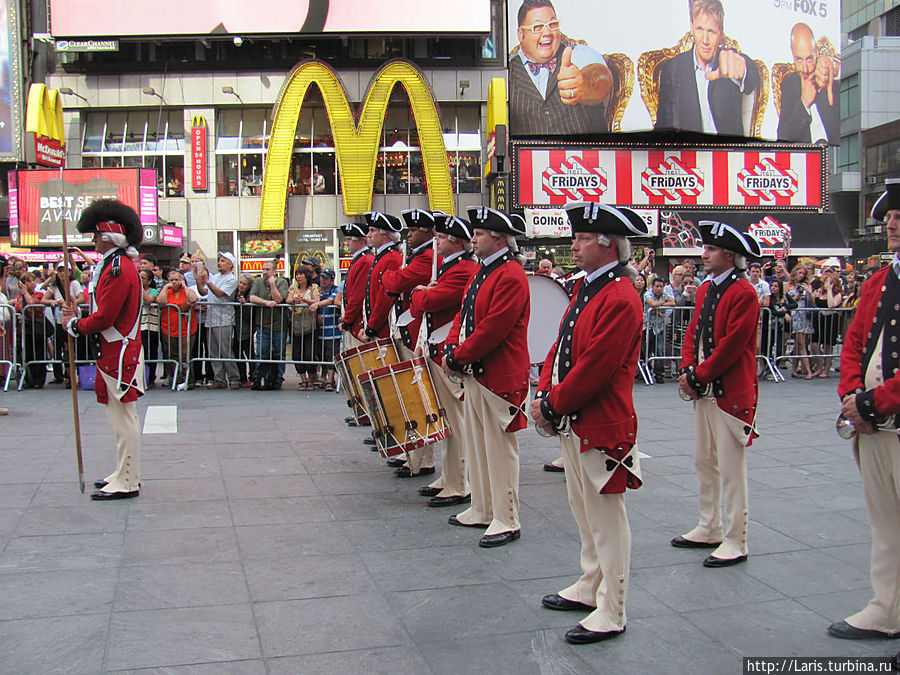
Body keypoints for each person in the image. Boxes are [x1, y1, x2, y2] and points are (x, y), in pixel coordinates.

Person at [532, 202, 648, 645]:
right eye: (576, 237)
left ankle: (612, 608)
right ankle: (590, 583)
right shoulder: (588, 287)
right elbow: (560, 345)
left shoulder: (620, 296)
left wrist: (552, 403)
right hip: (575, 418)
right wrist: (546, 393)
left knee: (606, 519)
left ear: (608, 244)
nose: (574, 245)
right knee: (584, 511)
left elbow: (596, 368)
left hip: (600, 422)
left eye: (582, 238)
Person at [831, 180, 900, 657]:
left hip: (884, 414)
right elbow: (854, 344)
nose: (891, 223)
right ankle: (887, 608)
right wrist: (853, 397)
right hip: (873, 425)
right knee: (885, 522)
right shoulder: (878, 281)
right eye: (890, 216)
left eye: (899, 217)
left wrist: (876, 402)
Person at [674, 220, 761, 567]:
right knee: (704, 461)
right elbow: (693, 332)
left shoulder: (744, 293)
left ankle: (736, 538)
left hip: (728, 393)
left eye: (710, 249)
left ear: (729, 254)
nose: (704, 254)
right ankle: (709, 525)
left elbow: (731, 347)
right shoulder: (708, 289)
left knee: (730, 469)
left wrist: (697, 374)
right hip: (704, 390)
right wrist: (687, 368)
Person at [443, 207, 530, 548]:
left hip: (498, 375)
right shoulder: (485, 271)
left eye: (479, 234)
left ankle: (506, 517)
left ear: (498, 238)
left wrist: (457, 355)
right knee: (479, 446)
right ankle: (482, 507)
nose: (473, 239)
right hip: (477, 372)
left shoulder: (510, 274)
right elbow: (463, 317)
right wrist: (453, 348)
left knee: (499, 449)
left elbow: (493, 328)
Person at [62, 200, 145, 501]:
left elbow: (105, 317)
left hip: (118, 350)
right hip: (115, 348)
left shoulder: (117, 269)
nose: (93, 239)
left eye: (96, 234)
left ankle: (128, 479)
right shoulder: (115, 265)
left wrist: (75, 325)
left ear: (109, 235)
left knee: (123, 420)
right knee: (120, 418)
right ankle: (124, 472)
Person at [408, 213, 479, 506]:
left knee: (455, 422)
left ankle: (458, 482)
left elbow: (431, 301)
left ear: (455, 241)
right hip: (436, 349)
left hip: (445, 352)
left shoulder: (463, 269)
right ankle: (449, 476)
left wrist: (419, 293)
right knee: (446, 419)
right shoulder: (451, 267)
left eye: (440, 237)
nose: (435, 241)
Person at [382, 208, 441, 477]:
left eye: (414, 230)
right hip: (409, 331)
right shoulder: (418, 255)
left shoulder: (427, 257)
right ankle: (414, 455)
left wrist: (387, 277)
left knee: (418, 398)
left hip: (417, 333)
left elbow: (397, 281)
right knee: (412, 396)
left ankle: (422, 459)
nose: (408, 234)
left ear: (428, 233)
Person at [655, 0, 761, 136]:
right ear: (691, 26)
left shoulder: (728, 60)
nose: (705, 40)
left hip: (726, 148)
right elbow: (663, 126)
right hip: (689, 147)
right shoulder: (672, 69)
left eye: (711, 31)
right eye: (699, 29)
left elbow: (752, 76)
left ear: (721, 32)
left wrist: (744, 69)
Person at [508, 0, 612, 135]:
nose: (547, 32)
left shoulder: (579, 54)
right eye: (537, 27)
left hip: (584, 148)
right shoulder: (506, 72)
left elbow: (604, 81)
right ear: (521, 34)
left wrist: (584, 83)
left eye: (552, 24)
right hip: (529, 149)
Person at [777, 23, 839, 145]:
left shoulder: (829, 76)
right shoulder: (789, 84)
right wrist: (804, 103)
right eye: (799, 59)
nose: (805, 69)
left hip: (835, 152)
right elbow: (783, 137)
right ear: (792, 52)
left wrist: (834, 68)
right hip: (806, 153)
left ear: (816, 51)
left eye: (809, 59)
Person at [196, 253, 240, 389]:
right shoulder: (215, 277)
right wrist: (199, 280)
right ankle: (219, 379)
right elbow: (204, 292)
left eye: (223, 261)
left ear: (230, 264)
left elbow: (220, 294)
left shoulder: (231, 279)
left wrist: (207, 282)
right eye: (219, 260)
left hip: (224, 319)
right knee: (213, 351)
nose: (219, 263)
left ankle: (234, 378)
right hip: (211, 318)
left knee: (225, 350)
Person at [361, 211, 403, 342]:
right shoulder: (383, 257)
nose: (368, 235)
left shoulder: (392, 258)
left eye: (373, 230)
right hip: (378, 328)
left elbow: (385, 298)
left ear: (385, 233)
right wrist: (366, 324)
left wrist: (371, 328)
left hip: (385, 331)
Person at [42, 261, 86, 388]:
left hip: (74, 318)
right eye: (60, 270)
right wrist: (54, 302)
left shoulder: (74, 283)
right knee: (65, 349)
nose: (62, 273)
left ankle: (78, 376)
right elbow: (44, 299)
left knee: (76, 348)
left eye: (65, 270)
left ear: (70, 272)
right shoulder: (54, 285)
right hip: (60, 320)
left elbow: (82, 298)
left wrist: (73, 303)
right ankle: (68, 376)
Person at [249, 259, 290, 390]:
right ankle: (258, 377)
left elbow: (279, 299)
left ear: (274, 271)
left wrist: (272, 284)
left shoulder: (282, 282)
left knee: (279, 353)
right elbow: (252, 297)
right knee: (261, 352)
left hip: (279, 324)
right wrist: (266, 303)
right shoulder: (258, 282)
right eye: (263, 269)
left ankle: (278, 378)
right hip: (263, 324)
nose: (265, 272)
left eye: (268, 269)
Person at [157, 269, 199, 389]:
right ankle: (176, 378)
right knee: (172, 354)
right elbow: (160, 301)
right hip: (169, 327)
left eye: (177, 279)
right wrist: (166, 287)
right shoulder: (167, 291)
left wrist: (184, 286)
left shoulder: (187, 290)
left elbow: (193, 299)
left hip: (186, 327)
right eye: (171, 280)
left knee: (185, 354)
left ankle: (188, 379)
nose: (174, 282)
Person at [338, 222, 374, 352]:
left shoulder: (365, 261)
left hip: (357, 325)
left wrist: (347, 321)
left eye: (349, 239)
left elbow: (357, 297)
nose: (346, 243)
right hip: (355, 323)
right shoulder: (361, 259)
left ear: (360, 240)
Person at [286, 265, 320, 390]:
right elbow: (288, 300)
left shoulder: (314, 288)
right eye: (297, 274)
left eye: (301, 274)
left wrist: (304, 300)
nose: (298, 276)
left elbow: (317, 301)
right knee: (297, 353)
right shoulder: (293, 288)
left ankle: (311, 379)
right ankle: (303, 379)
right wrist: (294, 300)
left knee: (309, 353)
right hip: (296, 323)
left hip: (309, 323)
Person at [14, 272, 49, 389]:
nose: (32, 283)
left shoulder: (39, 294)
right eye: (29, 281)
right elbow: (17, 308)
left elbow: (32, 304)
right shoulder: (18, 298)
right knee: (27, 354)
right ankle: (29, 379)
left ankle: (39, 380)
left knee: (39, 354)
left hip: (38, 330)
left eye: (33, 280)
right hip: (24, 331)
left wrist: (25, 292)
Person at [643, 277, 675, 381]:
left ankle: (659, 374)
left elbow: (673, 303)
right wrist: (664, 302)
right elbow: (652, 303)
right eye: (657, 286)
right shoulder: (648, 294)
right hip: (647, 326)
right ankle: (646, 372)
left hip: (659, 327)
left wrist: (660, 303)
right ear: (652, 287)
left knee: (659, 350)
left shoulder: (665, 293)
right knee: (646, 350)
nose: (659, 288)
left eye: (661, 286)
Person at [313, 268, 340, 391]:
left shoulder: (335, 290)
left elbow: (331, 300)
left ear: (332, 280)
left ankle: (330, 379)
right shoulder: (317, 290)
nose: (323, 280)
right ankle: (323, 377)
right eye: (322, 277)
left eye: (326, 278)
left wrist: (317, 304)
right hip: (320, 330)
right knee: (321, 355)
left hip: (333, 331)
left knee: (331, 355)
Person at [787, 263, 814, 379]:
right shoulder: (788, 285)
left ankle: (794, 369)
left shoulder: (807, 285)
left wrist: (809, 292)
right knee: (801, 344)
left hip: (805, 315)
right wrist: (796, 296)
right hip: (795, 315)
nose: (801, 275)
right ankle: (808, 371)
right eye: (800, 273)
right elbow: (786, 301)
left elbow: (812, 302)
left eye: (803, 273)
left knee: (801, 344)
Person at [138, 269, 160, 389]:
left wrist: (140, 287)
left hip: (150, 326)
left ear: (149, 281)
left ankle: (150, 376)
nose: (140, 280)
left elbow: (148, 300)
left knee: (150, 351)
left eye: (143, 278)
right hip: (138, 326)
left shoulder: (153, 291)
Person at [748, 262, 771, 378]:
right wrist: (758, 301)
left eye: (757, 271)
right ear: (749, 272)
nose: (755, 274)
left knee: (757, 346)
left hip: (759, 318)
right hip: (747, 317)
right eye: (753, 271)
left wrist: (754, 302)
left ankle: (756, 366)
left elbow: (766, 302)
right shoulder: (746, 283)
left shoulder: (764, 285)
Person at [233, 274, 256, 388]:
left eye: (244, 284)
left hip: (246, 328)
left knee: (250, 353)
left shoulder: (250, 296)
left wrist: (245, 304)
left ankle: (253, 376)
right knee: (238, 353)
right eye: (240, 282)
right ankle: (242, 377)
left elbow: (250, 315)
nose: (241, 286)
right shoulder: (234, 293)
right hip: (236, 327)